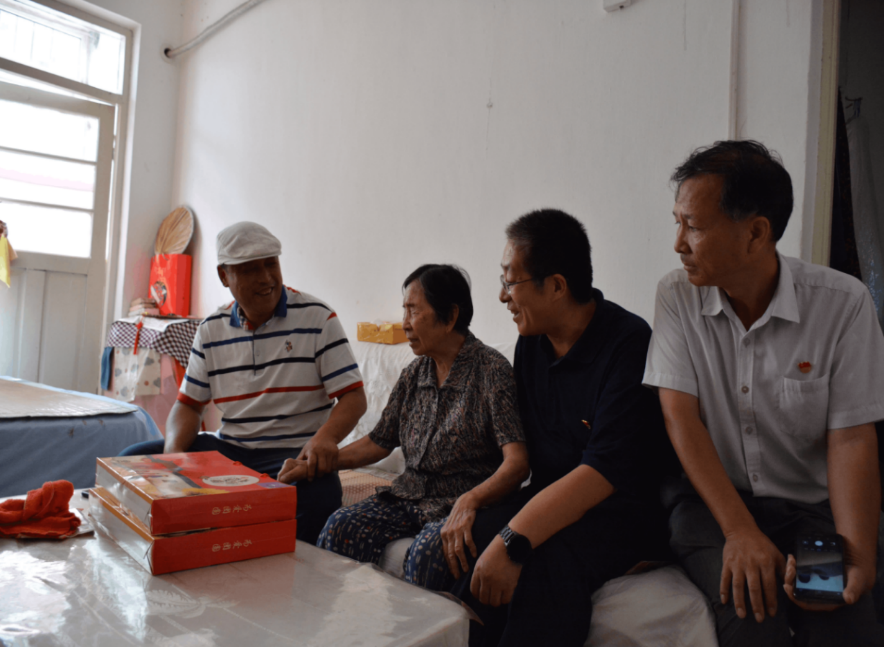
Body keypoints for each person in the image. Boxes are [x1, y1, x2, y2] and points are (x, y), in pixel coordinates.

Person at [643, 140, 884, 646]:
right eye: (677, 222)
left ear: (755, 233)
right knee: (754, 611)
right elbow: (680, 418)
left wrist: (859, 554)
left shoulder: (843, 305)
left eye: (694, 226)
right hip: (711, 507)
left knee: (837, 613)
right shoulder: (676, 296)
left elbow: (851, 440)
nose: (678, 243)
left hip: (807, 509)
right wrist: (740, 531)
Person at [450, 210, 672, 647]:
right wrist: (480, 506)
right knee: (474, 538)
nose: (502, 296)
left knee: (543, 559)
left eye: (510, 282)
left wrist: (514, 539)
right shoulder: (531, 342)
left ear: (555, 286)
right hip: (553, 493)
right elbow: (524, 455)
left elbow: (600, 475)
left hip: (620, 509)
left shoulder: (628, 343)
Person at [284, 264, 528, 590]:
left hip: (457, 503)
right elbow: (379, 442)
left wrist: (471, 500)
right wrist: (319, 463)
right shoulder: (415, 373)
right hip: (407, 497)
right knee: (339, 526)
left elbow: (517, 463)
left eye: (413, 311)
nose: (405, 323)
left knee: (426, 555)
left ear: (450, 316)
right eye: (405, 311)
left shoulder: (492, 372)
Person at [120, 221, 367, 544]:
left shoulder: (318, 318)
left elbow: (353, 397)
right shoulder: (211, 330)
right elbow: (188, 406)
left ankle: (282, 572)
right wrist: (174, 456)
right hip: (229, 452)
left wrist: (325, 439)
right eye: (250, 269)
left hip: (294, 456)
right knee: (133, 462)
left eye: (271, 264)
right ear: (224, 276)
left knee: (321, 496)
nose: (266, 278)